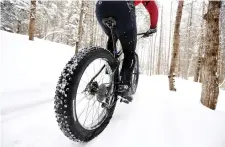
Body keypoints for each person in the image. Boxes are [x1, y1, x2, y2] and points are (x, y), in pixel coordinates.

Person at [95, 0, 158, 101]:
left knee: (113, 37)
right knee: (129, 52)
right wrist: (153, 27)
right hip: (123, 7)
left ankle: (109, 70)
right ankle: (124, 86)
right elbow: (152, 7)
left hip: (101, 7)